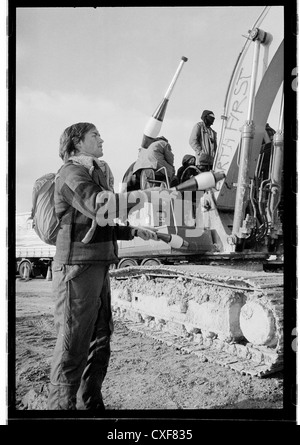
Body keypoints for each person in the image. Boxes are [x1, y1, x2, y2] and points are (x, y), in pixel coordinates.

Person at [47, 122, 157, 410]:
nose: (101, 139)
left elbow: (100, 223)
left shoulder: (96, 174)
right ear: (77, 143)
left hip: (97, 265)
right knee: (73, 343)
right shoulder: (71, 173)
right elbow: (99, 205)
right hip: (76, 268)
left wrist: (132, 231)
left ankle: (90, 405)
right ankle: (60, 409)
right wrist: (140, 197)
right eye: (94, 135)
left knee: (99, 339)